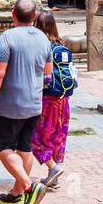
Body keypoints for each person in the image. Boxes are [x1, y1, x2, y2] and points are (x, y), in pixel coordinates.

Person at [0, 0, 53, 204]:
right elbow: (48, 75)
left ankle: (28, 186)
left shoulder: (7, 38)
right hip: (34, 104)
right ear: (35, 17)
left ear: (13, 14)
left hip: (10, 105)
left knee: (2, 146)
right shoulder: (44, 39)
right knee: (25, 149)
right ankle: (15, 194)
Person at [30, 11, 74, 191]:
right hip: (63, 100)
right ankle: (53, 176)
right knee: (56, 137)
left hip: (47, 100)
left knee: (33, 137)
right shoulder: (61, 45)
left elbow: (43, 77)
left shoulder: (42, 47)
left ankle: (53, 168)